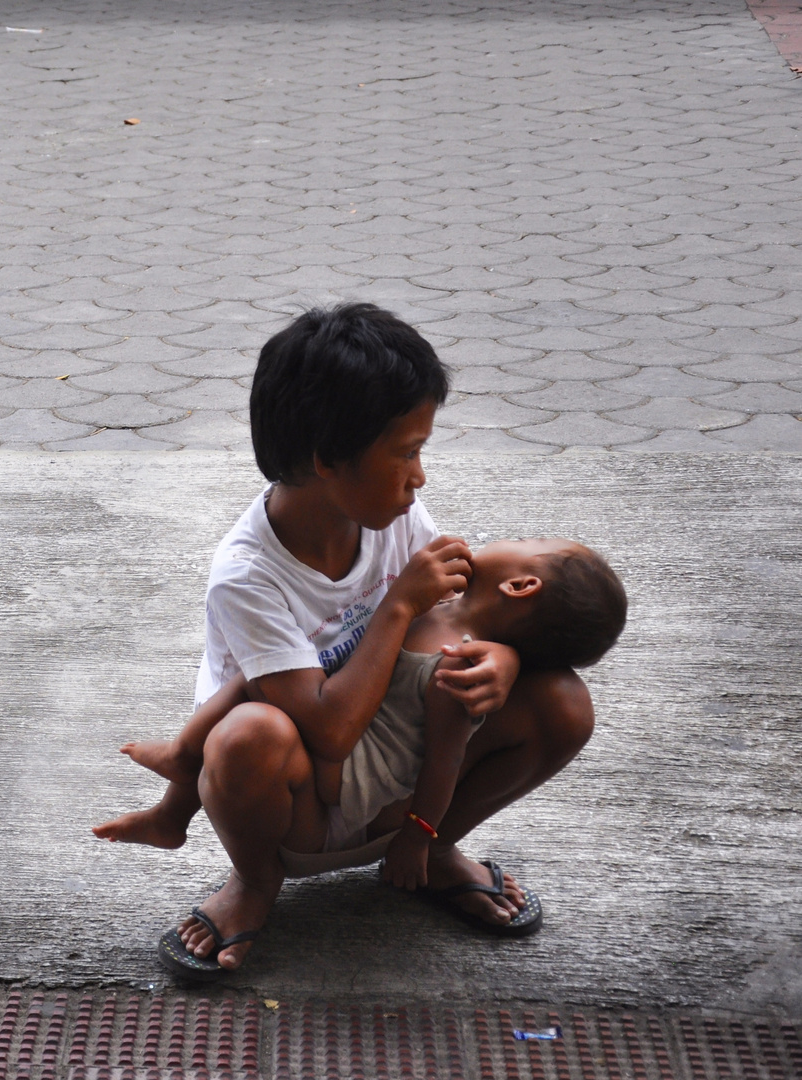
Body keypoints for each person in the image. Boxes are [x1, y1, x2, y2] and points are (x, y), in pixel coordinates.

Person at [89, 302, 603, 980]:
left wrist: (502, 656)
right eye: (407, 452)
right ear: (327, 459)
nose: (420, 475)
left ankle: (435, 845)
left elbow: (458, 612)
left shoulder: (394, 513)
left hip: (404, 785)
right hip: (295, 804)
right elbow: (327, 733)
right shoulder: (247, 577)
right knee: (249, 731)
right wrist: (396, 605)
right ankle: (254, 881)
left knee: (563, 701)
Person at [97, 537, 626, 980]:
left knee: (267, 692)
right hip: (315, 759)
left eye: (530, 543)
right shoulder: (430, 596)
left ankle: (432, 855)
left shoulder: (454, 663)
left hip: (348, 781)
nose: (509, 539)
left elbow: (446, 758)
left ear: (520, 585)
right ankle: (208, 828)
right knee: (271, 672)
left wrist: (420, 835)